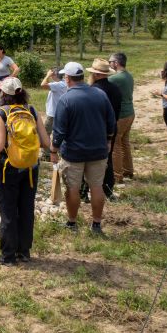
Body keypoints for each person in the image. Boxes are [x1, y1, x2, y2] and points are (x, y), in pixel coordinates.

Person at [0, 77, 50, 265]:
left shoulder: (0, 113)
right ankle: (24, 252)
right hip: (30, 168)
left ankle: (8, 256)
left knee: (8, 212)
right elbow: (46, 143)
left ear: (2, 94)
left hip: (7, 169)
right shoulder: (32, 110)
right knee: (26, 209)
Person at [52, 62, 115, 235]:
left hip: (74, 153)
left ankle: (72, 223)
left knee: (73, 188)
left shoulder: (66, 99)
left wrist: (53, 150)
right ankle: (96, 224)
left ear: (67, 78)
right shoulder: (100, 94)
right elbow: (111, 122)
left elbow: (59, 130)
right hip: (98, 150)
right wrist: (108, 140)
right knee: (96, 186)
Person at [86, 58, 122, 200]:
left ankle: (86, 191)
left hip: (95, 130)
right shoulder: (115, 89)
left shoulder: (93, 90)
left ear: (95, 74)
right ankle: (107, 189)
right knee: (107, 159)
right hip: (111, 128)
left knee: (89, 160)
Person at [108, 52, 135, 182]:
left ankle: (117, 175)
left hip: (121, 115)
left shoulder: (115, 78)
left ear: (116, 63)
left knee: (115, 145)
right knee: (125, 143)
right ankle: (128, 171)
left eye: (110, 62)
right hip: (130, 113)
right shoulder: (129, 76)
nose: (109, 64)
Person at [40, 67, 67, 159]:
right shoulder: (64, 83)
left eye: (52, 73)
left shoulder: (58, 85)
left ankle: (46, 154)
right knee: (60, 133)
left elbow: (43, 85)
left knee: (46, 132)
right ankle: (60, 152)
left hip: (53, 114)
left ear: (55, 75)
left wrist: (47, 75)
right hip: (60, 113)